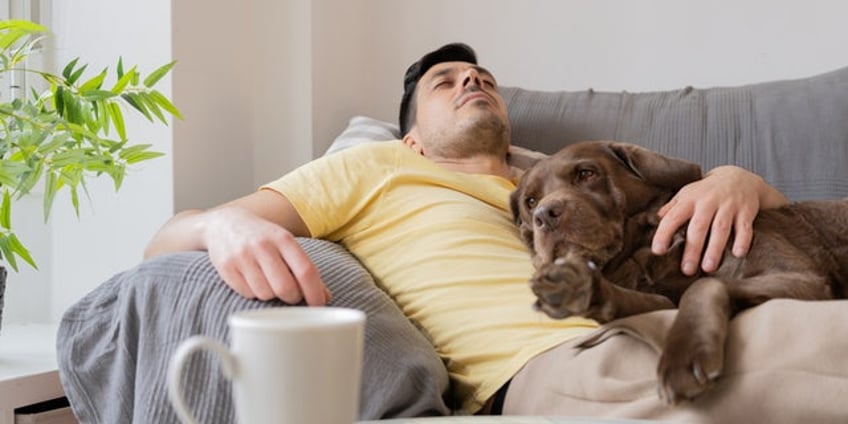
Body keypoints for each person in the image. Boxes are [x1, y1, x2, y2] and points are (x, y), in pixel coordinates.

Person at [144, 43, 836, 420]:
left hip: (652, 316)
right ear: (412, 137)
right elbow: (163, 245)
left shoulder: (549, 180)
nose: (471, 79)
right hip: (560, 365)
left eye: (481, 76)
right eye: (446, 81)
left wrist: (736, 178)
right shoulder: (371, 166)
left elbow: (772, 223)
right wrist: (224, 224)